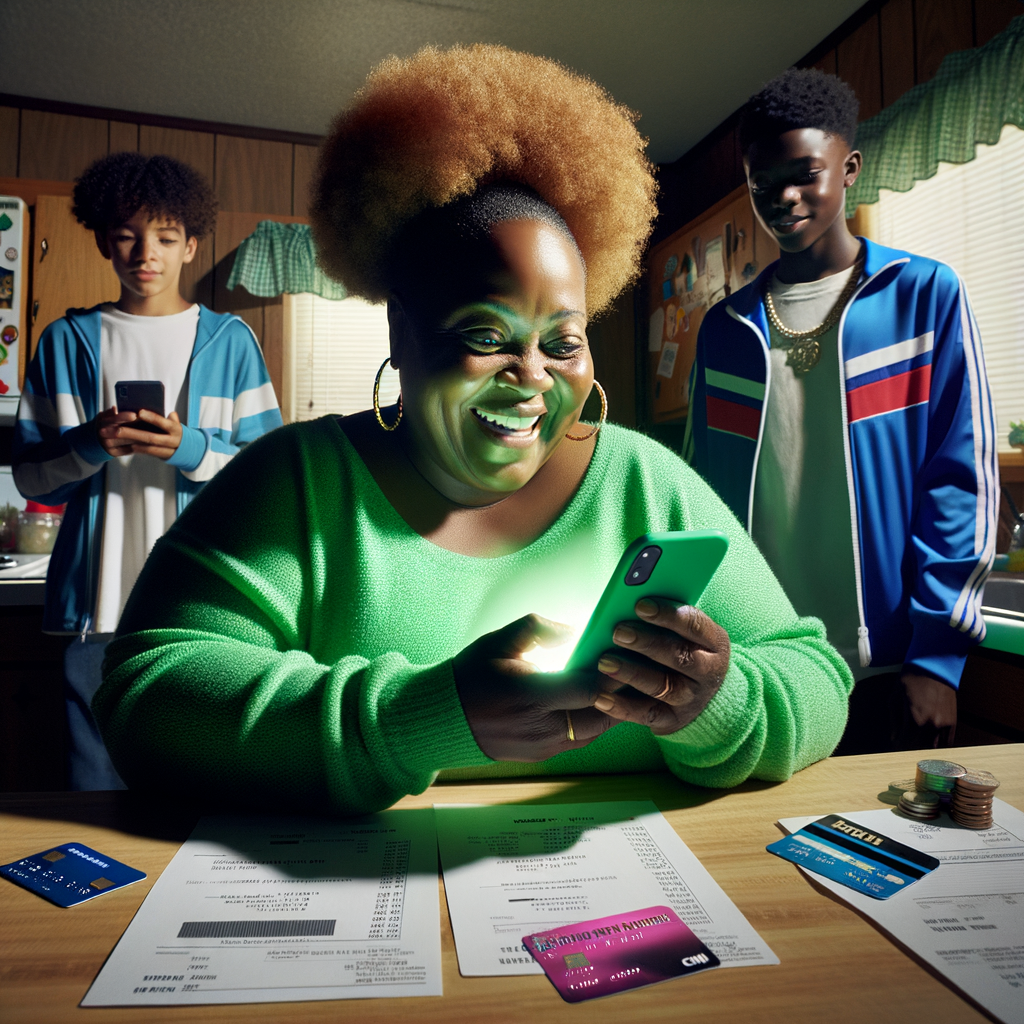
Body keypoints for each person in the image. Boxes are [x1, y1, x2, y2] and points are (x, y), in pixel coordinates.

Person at [93, 45, 852, 814]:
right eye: (486, 336)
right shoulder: (296, 481)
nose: (530, 377)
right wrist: (420, 719)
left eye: (563, 342)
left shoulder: (644, 481)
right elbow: (146, 702)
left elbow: (817, 679)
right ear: (402, 333)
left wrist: (715, 706)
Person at [683, 69, 997, 754]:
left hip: (886, 667)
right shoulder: (724, 328)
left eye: (805, 174)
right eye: (764, 182)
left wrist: (937, 657)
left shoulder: (924, 296)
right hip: (758, 663)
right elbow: (699, 498)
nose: (784, 198)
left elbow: (960, 481)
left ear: (849, 168)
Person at [13, 152, 283, 789]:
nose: (145, 253)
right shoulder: (65, 340)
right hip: (96, 608)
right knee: (96, 788)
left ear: (190, 245)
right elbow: (29, 478)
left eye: (164, 237)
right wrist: (93, 443)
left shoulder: (232, 341)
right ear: (107, 241)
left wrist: (188, 446)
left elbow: (265, 476)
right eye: (128, 236)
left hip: (199, 604)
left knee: (196, 787)